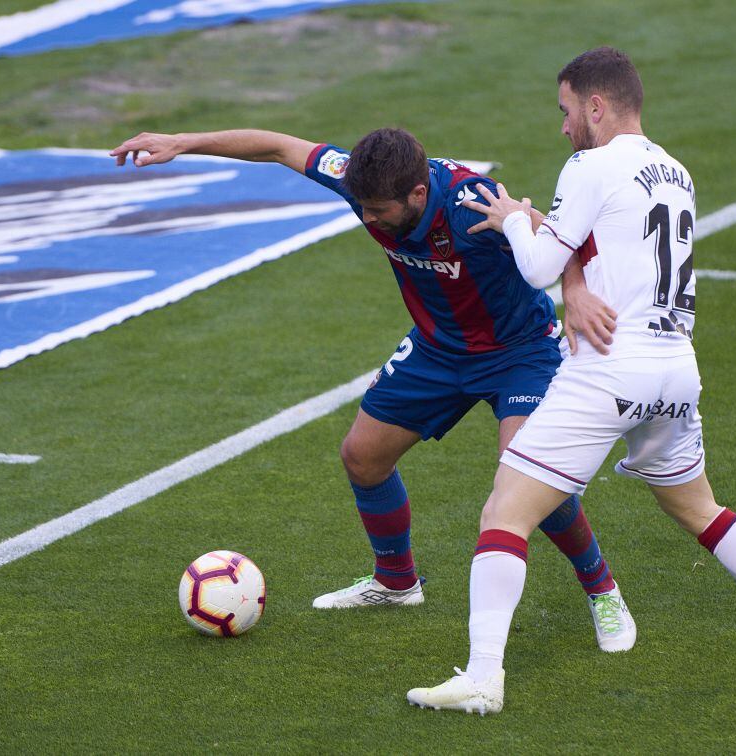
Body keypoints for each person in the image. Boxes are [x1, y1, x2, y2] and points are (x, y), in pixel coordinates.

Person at [406, 47, 736, 716]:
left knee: (505, 512)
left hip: (610, 365)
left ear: (596, 107)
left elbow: (539, 267)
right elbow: (600, 252)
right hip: (676, 367)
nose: (563, 126)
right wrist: (571, 271)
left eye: (566, 111)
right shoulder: (675, 170)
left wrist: (516, 219)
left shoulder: (590, 163)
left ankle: (482, 678)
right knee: (700, 508)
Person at [109, 125, 637, 651]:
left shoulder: (469, 201)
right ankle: (396, 582)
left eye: (378, 209)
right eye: (361, 206)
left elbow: (558, 243)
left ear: (418, 194)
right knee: (362, 456)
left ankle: (602, 589)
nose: (367, 218)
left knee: (528, 479)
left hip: (519, 351)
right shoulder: (361, 179)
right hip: (438, 348)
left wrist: (575, 295)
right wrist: (181, 142)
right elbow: (278, 146)